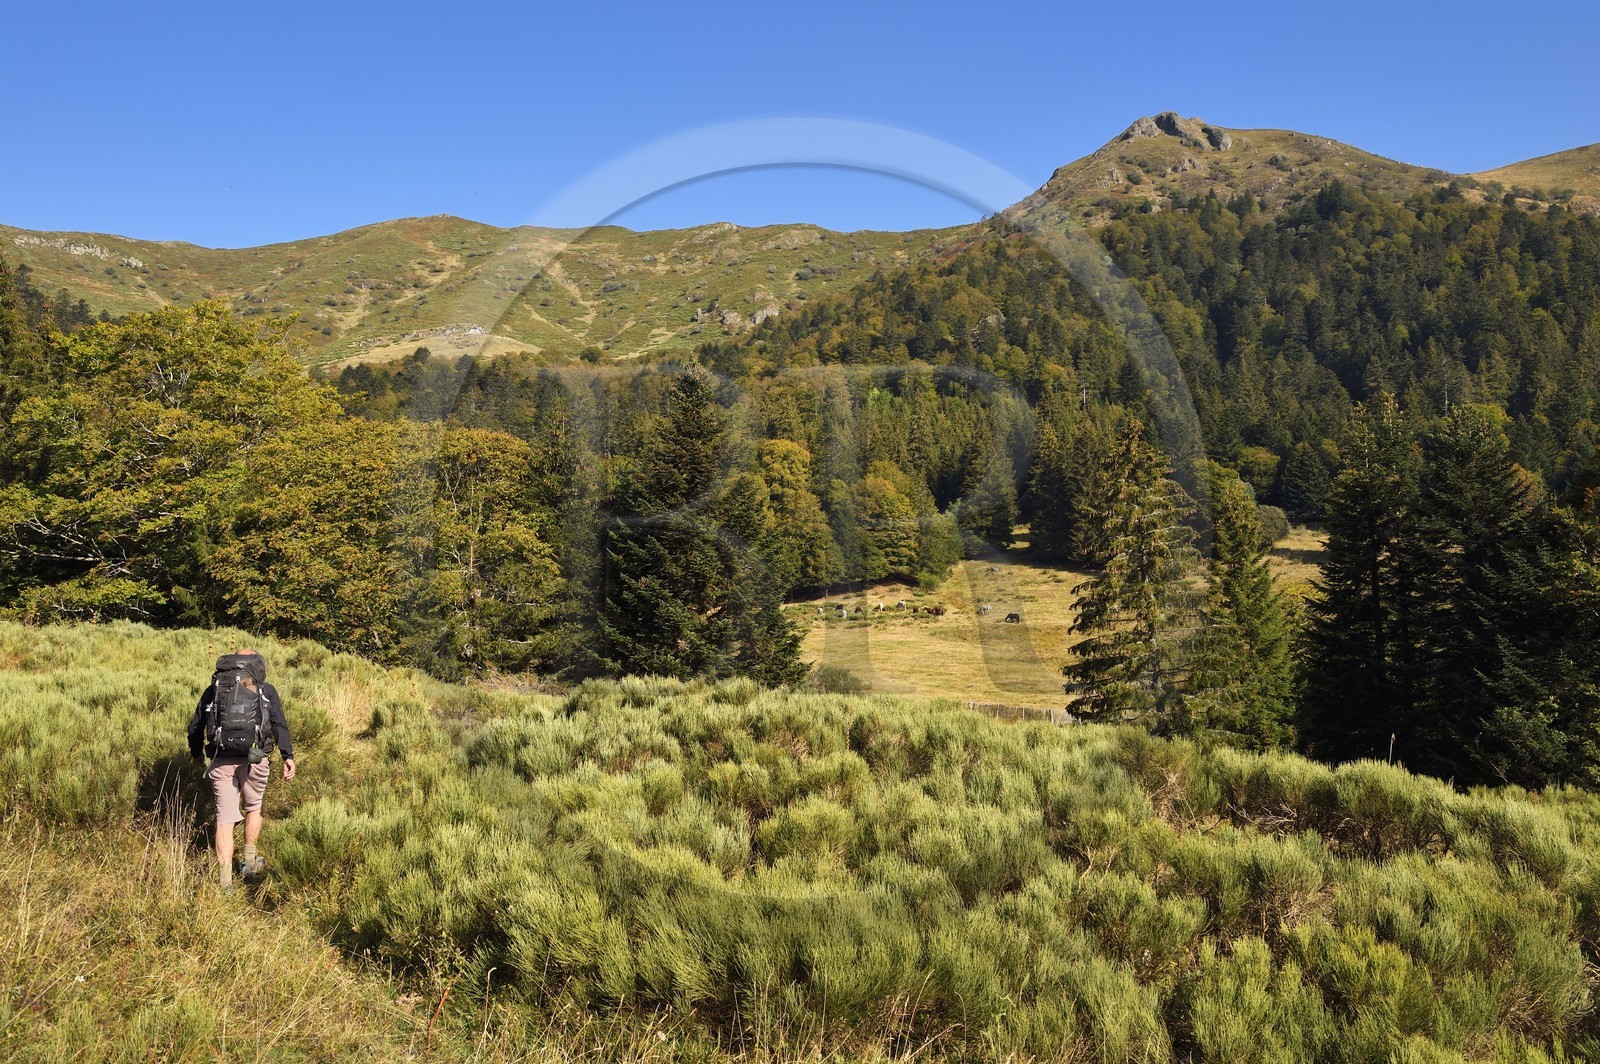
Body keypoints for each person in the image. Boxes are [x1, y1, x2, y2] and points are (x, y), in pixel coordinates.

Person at [187, 648, 296, 890]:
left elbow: (196, 726)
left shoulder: (214, 690)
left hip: (221, 759)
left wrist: (196, 754)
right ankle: (248, 863)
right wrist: (287, 755)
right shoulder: (265, 690)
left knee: (224, 819)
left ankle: (225, 882)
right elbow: (279, 724)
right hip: (256, 758)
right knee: (254, 807)